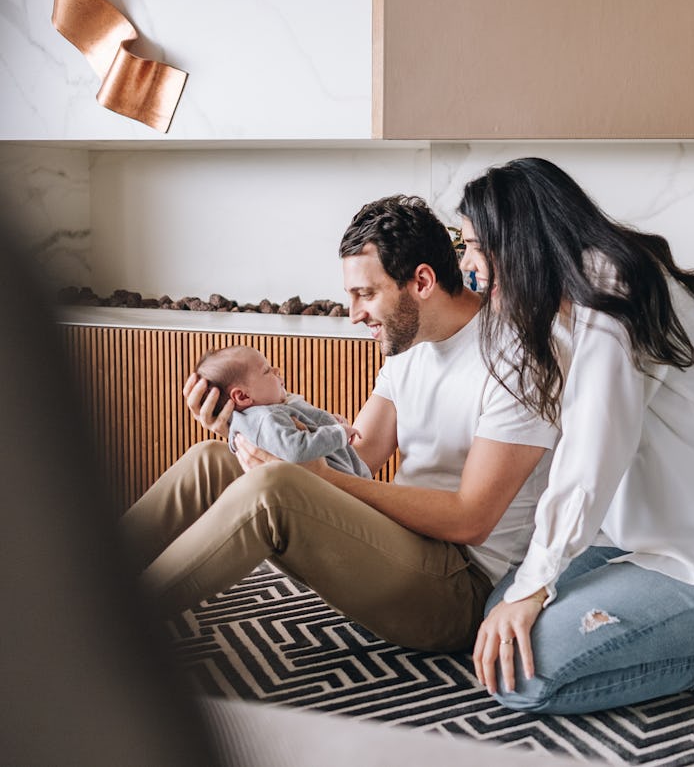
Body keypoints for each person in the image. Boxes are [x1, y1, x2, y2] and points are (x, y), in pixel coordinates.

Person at [119, 195, 558, 652]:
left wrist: (316, 478)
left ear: (422, 281)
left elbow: (472, 520)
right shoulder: (411, 345)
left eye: (366, 294)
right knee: (213, 459)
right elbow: (360, 454)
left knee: (274, 491)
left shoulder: (514, 360)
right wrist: (244, 428)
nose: (354, 315)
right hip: (402, 549)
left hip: (460, 589)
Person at [458, 157, 694, 713]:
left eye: (473, 246)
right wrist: (529, 588)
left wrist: (539, 585)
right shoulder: (571, 302)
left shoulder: (614, 292)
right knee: (500, 616)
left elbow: (591, 455)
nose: (467, 265)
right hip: (646, 534)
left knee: (520, 674)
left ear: (518, 240)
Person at [195, 344, 371, 477]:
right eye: (267, 370)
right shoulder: (267, 418)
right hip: (339, 489)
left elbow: (302, 422)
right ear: (242, 396)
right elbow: (296, 449)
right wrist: (338, 434)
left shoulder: (267, 411)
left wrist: (327, 421)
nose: (276, 370)